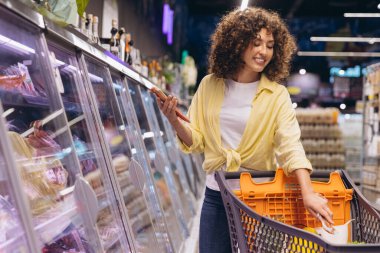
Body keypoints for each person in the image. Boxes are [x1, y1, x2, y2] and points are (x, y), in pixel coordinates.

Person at [155, 7, 334, 253]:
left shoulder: (277, 94)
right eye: (256, 43)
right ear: (237, 43)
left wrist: (308, 192)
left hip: (260, 198)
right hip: (217, 195)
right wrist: (174, 121)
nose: (263, 51)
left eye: (270, 45)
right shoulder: (210, 85)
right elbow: (196, 140)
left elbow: (291, 146)